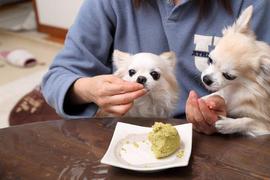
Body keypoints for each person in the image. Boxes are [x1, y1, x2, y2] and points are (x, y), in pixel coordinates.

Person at [42, 0, 270, 135]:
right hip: (129, 134)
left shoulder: (253, 6)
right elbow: (57, 78)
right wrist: (88, 88)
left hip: (225, 138)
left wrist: (226, 104)